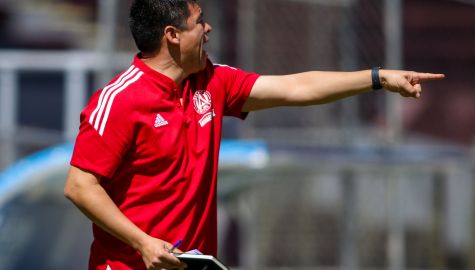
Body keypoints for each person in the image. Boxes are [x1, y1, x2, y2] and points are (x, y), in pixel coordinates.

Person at [64, 0, 445, 269]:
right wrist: (143, 243)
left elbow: (296, 87)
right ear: (172, 35)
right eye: (199, 21)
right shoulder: (120, 100)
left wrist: (378, 78)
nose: (208, 28)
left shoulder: (212, 81)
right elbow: (80, 186)